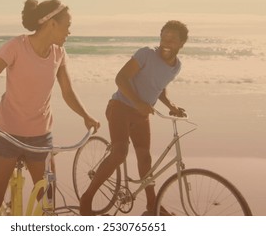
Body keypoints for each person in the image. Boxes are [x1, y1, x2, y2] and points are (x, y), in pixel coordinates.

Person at [0, 0, 100, 216]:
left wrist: (86, 116)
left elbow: (67, 91)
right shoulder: (16, 47)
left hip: (41, 138)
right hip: (7, 137)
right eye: (67, 26)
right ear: (51, 24)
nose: (69, 31)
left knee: (48, 205)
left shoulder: (58, 53)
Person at [80, 20, 189, 216]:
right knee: (120, 152)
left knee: (145, 158)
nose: (166, 41)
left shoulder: (176, 66)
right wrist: (138, 102)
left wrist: (171, 105)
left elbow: (159, 86)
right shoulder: (146, 53)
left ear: (182, 43)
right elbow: (120, 78)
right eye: (164, 36)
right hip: (120, 108)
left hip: (141, 115)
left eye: (172, 39)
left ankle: (151, 204)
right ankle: (86, 198)